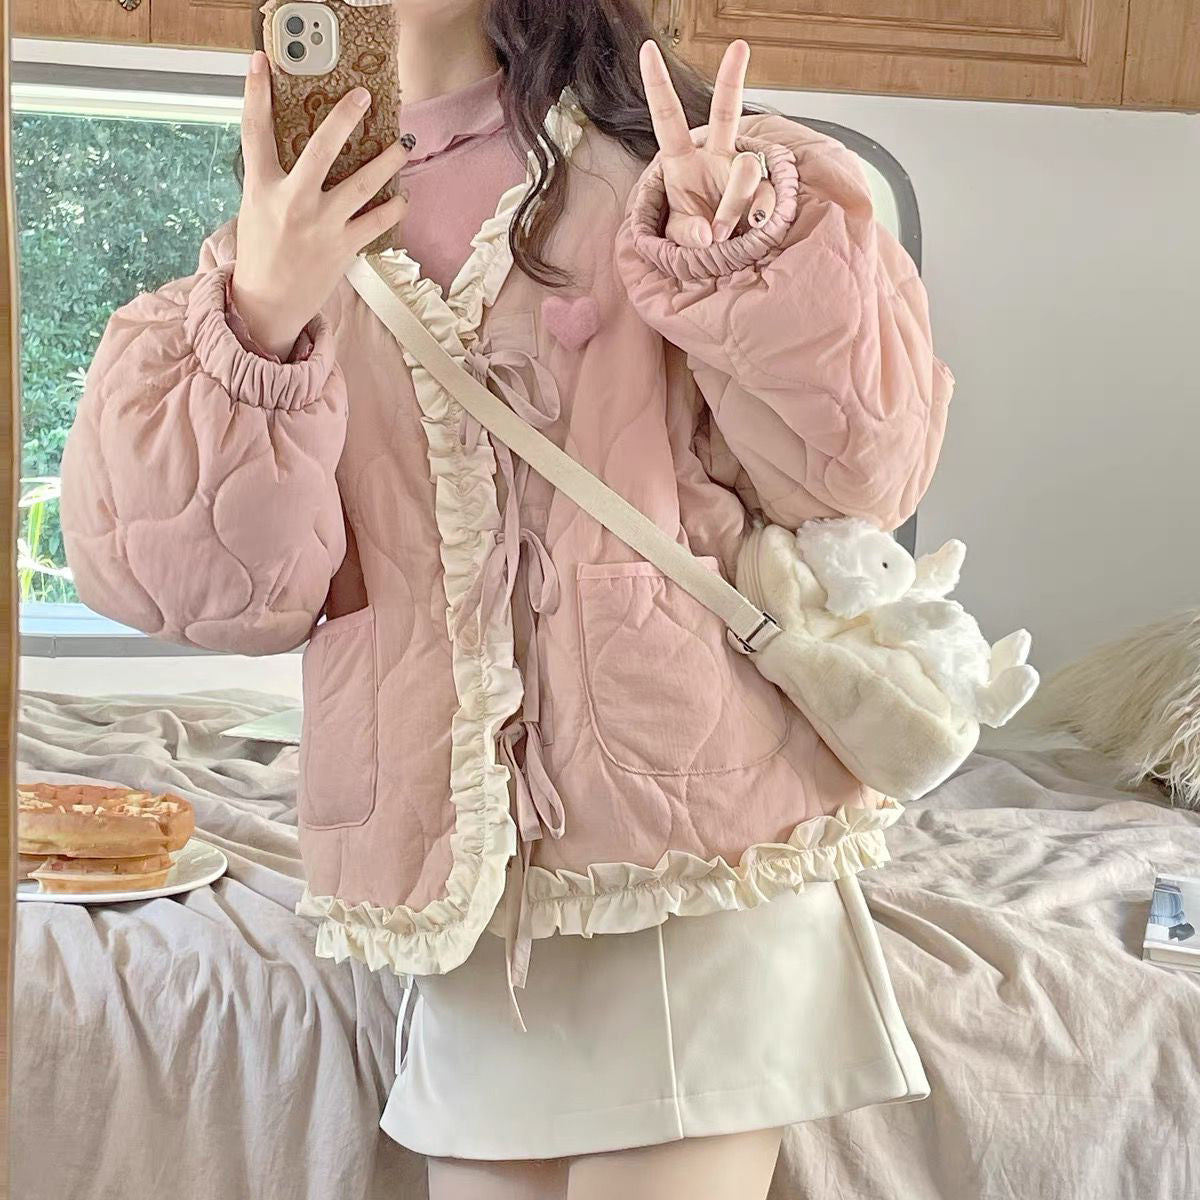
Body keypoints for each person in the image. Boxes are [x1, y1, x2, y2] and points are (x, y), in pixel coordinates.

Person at [60, 1, 953, 1195]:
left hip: (695, 857)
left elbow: (858, 477)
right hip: (469, 906)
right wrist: (260, 318)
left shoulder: (675, 167)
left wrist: (742, 262)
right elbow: (219, 592)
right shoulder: (276, 237)